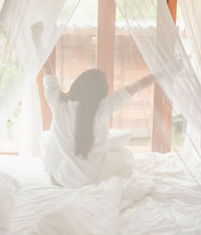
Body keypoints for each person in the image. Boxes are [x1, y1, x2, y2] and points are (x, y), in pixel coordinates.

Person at [32, 22, 157, 188]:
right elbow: (134, 87)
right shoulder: (101, 108)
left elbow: (47, 72)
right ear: (98, 94)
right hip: (93, 178)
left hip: (63, 179)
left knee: (48, 148)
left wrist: (37, 41)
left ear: (78, 84)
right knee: (125, 155)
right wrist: (166, 71)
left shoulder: (58, 103)